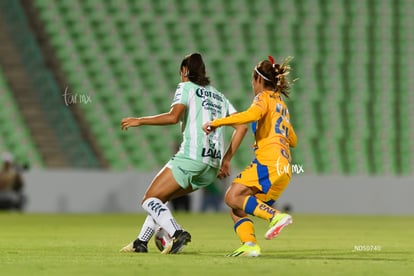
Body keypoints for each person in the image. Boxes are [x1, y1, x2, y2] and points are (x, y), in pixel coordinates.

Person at [119, 53, 247, 254]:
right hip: (211, 167)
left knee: (149, 200)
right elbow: (242, 127)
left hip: (191, 157)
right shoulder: (220, 96)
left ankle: (176, 232)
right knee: (160, 199)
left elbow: (173, 117)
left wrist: (139, 120)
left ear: (184, 71)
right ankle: (140, 243)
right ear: (203, 72)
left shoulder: (186, 87)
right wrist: (226, 160)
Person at [203, 56, 297, 257]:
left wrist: (218, 122)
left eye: (253, 80)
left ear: (259, 80)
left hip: (269, 161)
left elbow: (251, 115)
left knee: (231, 196)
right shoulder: (281, 105)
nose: (252, 85)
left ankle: (276, 217)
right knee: (238, 207)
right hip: (285, 168)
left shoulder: (263, 98)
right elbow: (294, 140)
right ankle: (250, 245)